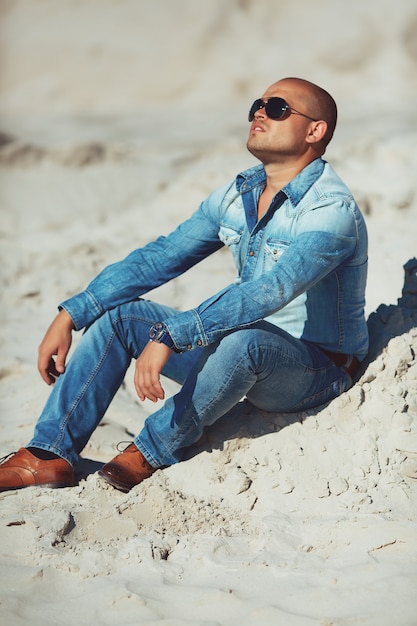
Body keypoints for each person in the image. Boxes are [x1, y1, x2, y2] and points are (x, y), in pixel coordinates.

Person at [0, 77, 368, 493]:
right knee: (121, 318)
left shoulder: (330, 209)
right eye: (257, 105)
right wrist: (71, 313)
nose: (260, 113)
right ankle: (48, 455)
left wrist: (173, 335)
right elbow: (163, 256)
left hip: (316, 370)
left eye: (278, 107)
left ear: (315, 131)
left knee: (244, 341)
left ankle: (151, 448)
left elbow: (272, 290)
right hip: (235, 356)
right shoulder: (239, 193)